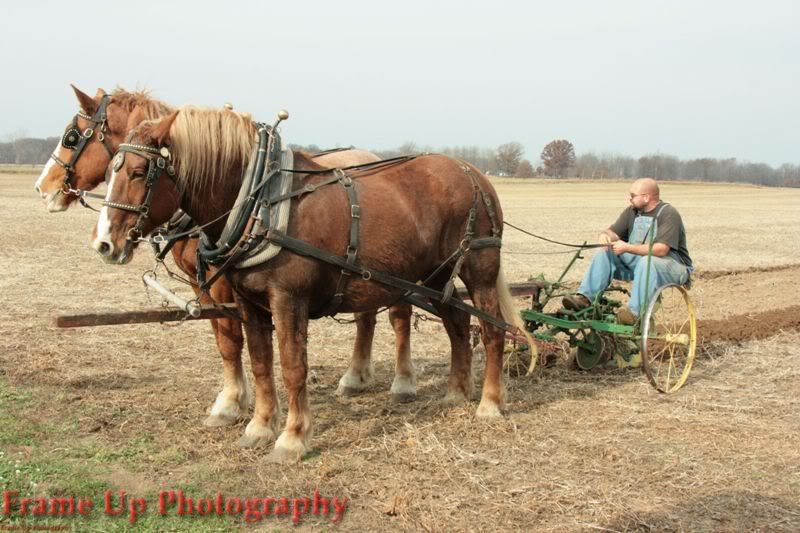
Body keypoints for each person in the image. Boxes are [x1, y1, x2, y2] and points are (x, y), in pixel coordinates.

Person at [562, 177, 693, 324]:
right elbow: (613, 232)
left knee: (647, 262)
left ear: (646, 197)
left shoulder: (668, 213)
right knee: (605, 252)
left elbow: (661, 249)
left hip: (673, 265)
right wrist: (605, 235)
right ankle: (585, 299)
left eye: (632, 196)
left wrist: (627, 247)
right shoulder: (632, 212)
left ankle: (634, 313)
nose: (629, 199)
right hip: (642, 262)